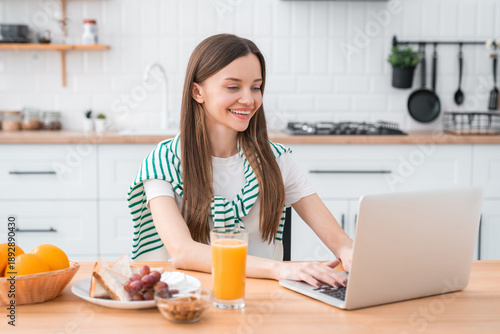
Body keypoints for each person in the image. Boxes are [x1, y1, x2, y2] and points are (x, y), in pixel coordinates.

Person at [128, 34, 353, 288]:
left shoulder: (277, 161)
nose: (249, 99)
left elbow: (342, 243)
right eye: (233, 87)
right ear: (197, 92)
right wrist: (278, 269)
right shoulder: (165, 161)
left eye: (256, 87)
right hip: (189, 301)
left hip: (266, 303)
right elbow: (182, 251)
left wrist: (351, 253)